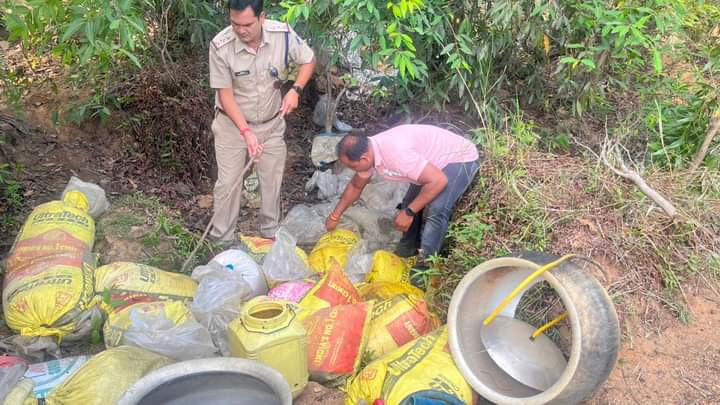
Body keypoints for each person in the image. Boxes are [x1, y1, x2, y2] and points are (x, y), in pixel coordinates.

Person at [208, 0, 316, 240]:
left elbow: (308, 60)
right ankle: (222, 239)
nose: (240, 30)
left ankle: (269, 234)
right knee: (228, 183)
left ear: (262, 17)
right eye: (235, 24)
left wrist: (295, 89)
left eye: (247, 24)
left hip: (271, 124)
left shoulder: (283, 35)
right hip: (231, 127)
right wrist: (246, 132)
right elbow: (225, 95)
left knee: (271, 180)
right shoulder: (220, 46)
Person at [325, 125, 481, 287]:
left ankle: (425, 267)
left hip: (459, 159)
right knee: (409, 203)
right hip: (431, 165)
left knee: (436, 210)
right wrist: (334, 216)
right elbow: (355, 186)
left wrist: (409, 212)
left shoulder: (395, 154)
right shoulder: (369, 153)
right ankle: (408, 249)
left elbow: (439, 180)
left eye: (352, 166)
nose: (352, 170)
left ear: (364, 159)